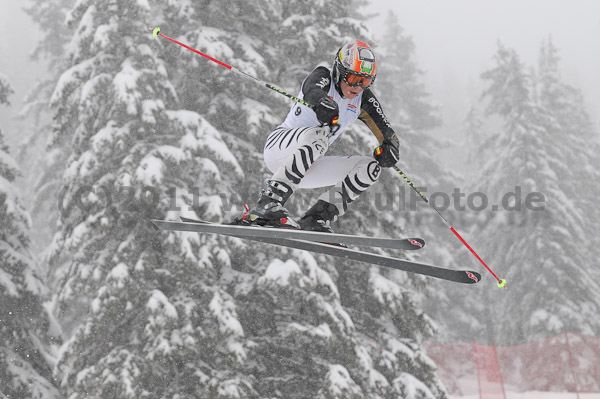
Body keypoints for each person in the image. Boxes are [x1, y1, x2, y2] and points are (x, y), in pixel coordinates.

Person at [245, 40, 399, 233]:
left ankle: (316, 218)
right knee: (319, 136)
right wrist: (321, 102)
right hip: (279, 148)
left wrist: (390, 147)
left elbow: (387, 131)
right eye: (352, 78)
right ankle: (268, 203)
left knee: (369, 168)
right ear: (339, 71)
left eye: (365, 81)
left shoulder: (363, 99)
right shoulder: (324, 75)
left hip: (306, 166)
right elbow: (312, 90)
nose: (358, 87)